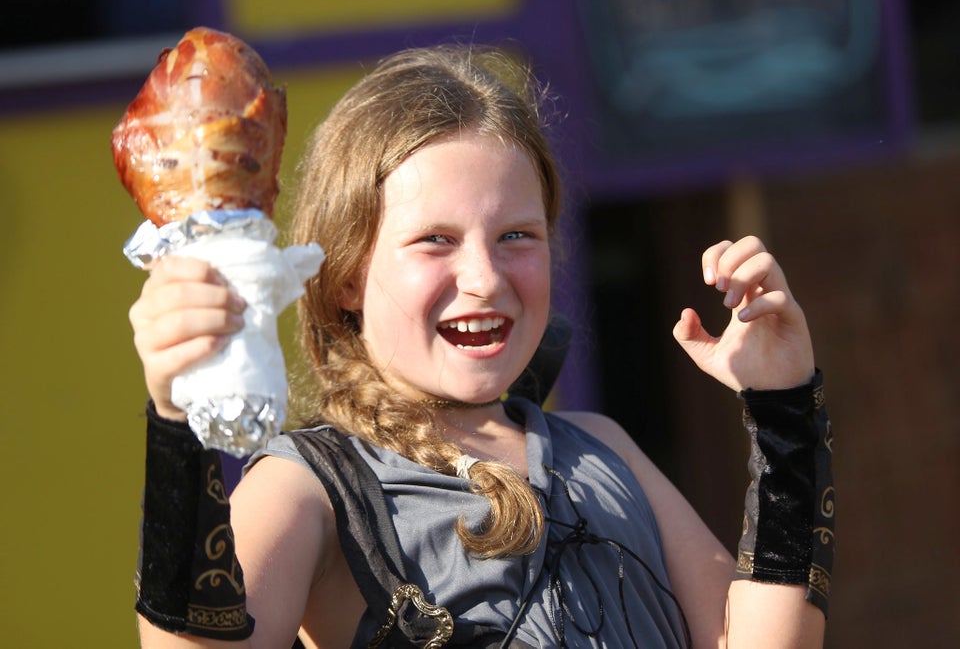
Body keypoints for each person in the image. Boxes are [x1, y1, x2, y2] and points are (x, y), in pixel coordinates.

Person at [128, 44, 834, 648]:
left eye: (517, 237)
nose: (486, 278)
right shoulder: (310, 484)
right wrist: (174, 421)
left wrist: (783, 410)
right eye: (436, 240)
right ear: (345, 273)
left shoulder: (603, 448)